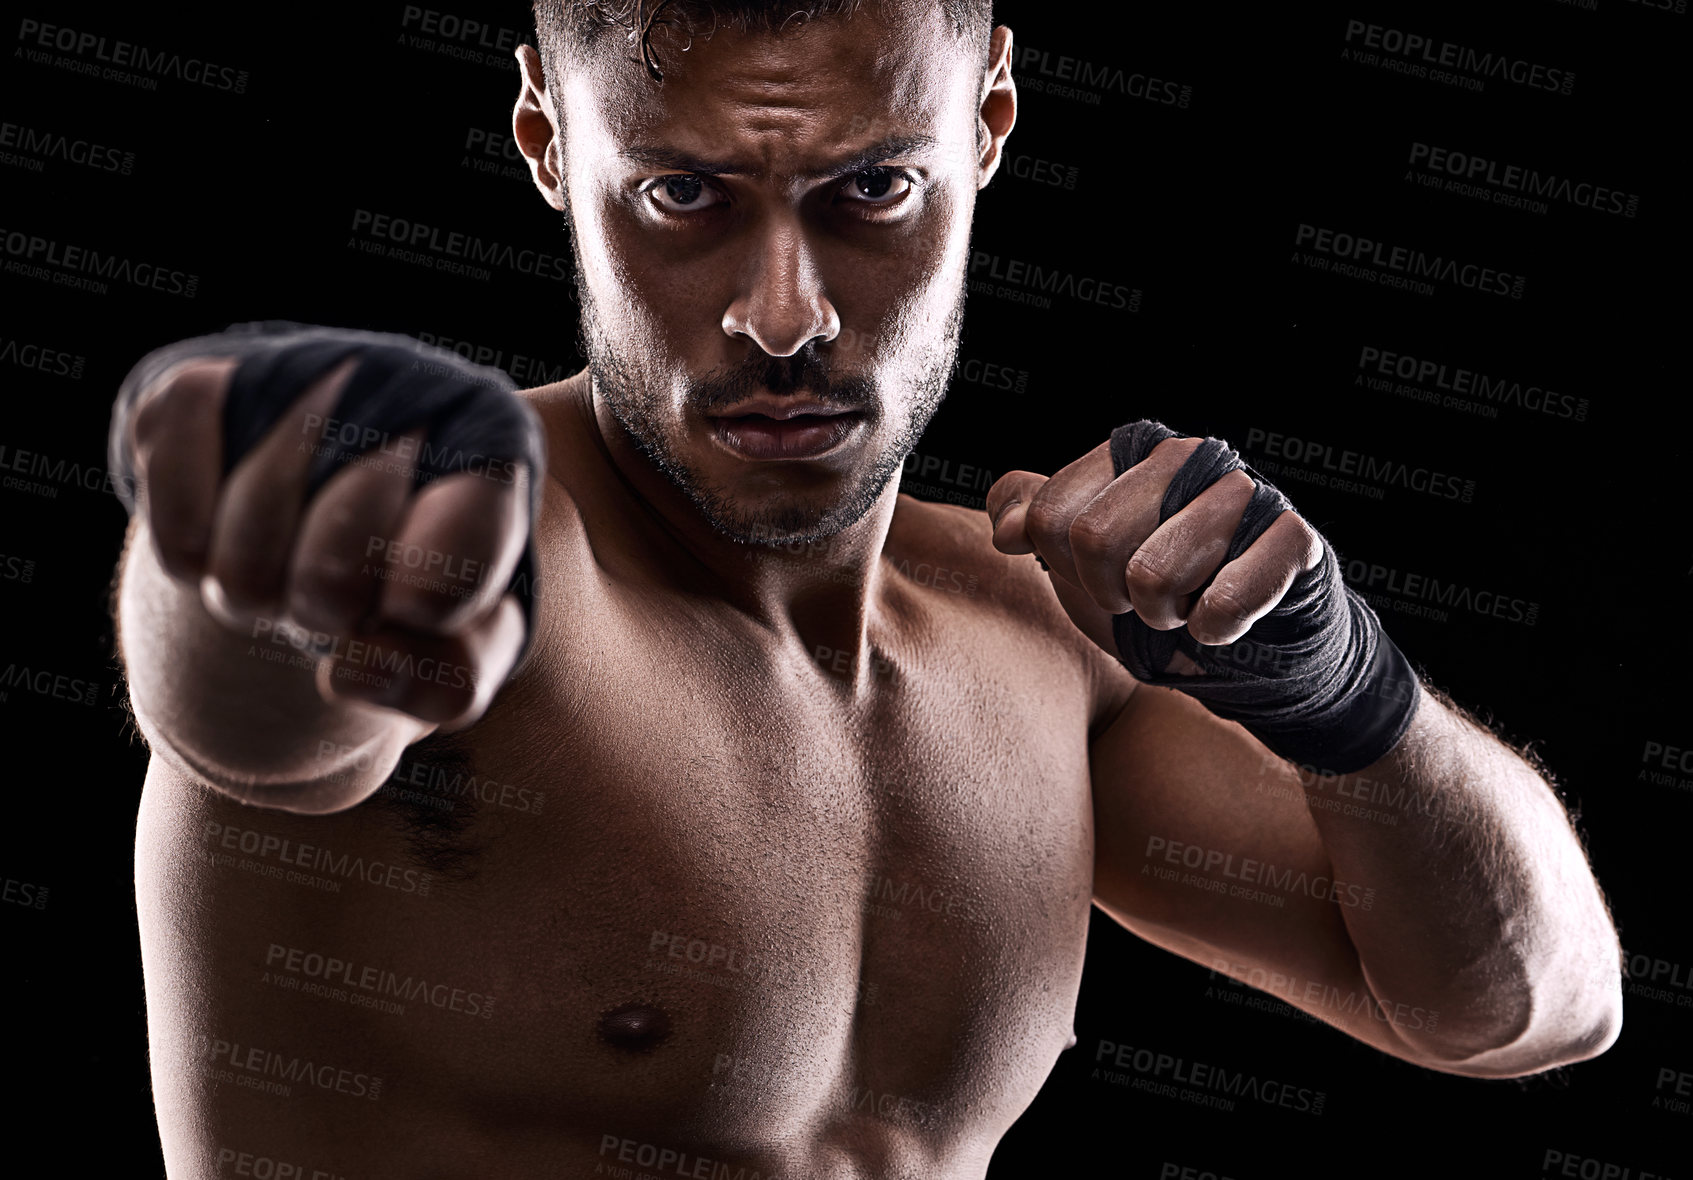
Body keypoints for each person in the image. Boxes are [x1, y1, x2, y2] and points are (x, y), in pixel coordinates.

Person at [109, 2, 1623, 1175]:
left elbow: (1526, 1013)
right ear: (546, 140)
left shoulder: (1031, 639)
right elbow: (248, 713)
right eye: (685, 194)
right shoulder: (492, 572)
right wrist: (251, 526)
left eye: (870, 188)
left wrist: (1347, 699)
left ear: (988, 121)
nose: (787, 314)